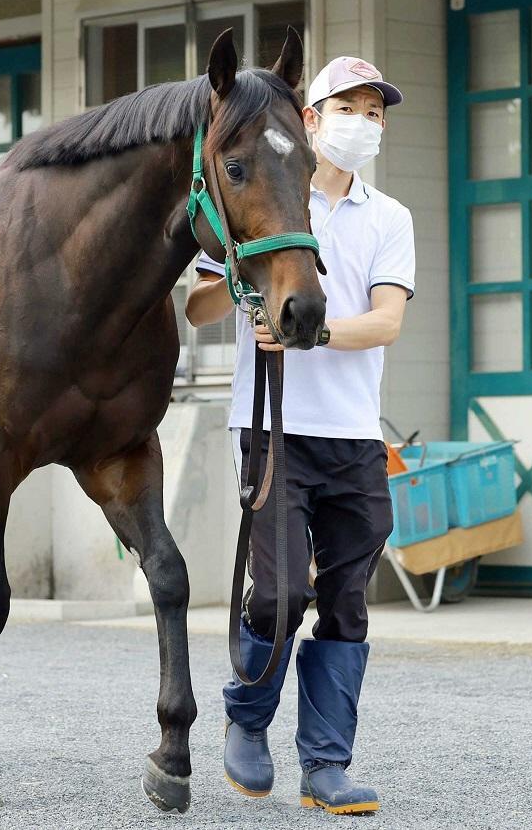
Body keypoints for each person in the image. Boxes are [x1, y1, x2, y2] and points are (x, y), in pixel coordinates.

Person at [185, 56, 415, 816]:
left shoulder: (389, 217)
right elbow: (197, 311)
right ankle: (248, 722)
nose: (364, 123)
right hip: (272, 429)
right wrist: (241, 286)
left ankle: (326, 765)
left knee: (346, 603)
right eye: (348, 108)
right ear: (310, 120)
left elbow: (386, 322)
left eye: (375, 112)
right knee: (282, 592)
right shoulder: (264, 189)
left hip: (353, 436)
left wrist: (307, 332)